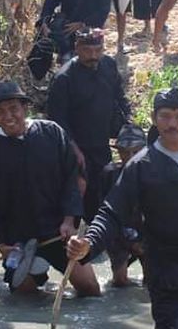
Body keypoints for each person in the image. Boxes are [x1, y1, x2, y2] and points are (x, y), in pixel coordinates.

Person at [67, 88, 178, 329]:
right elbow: (111, 212)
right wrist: (89, 243)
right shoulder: (141, 165)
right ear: (153, 118)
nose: (172, 123)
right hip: (165, 271)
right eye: (165, 116)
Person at [0, 81, 100, 296]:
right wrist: (1, 244)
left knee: (90, 289)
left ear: (25, 108)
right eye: (0, 112)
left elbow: (72, 177)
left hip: (58, 233)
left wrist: (69, 220)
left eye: (14, 108)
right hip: (18, 240)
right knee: (24, 296)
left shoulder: (52, 133)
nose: (8, 116)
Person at [47, 28, 132, 224]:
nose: (93, 56)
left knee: (102, 189)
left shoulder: (108, 65)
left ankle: (98, 235)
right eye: (87, 51)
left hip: (102, 142)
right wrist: (74, 149)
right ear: (77, 48)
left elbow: (120, 96)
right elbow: (57, 120)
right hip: (76, 147)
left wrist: (128, 122)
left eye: (98, 50)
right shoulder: (64, 78)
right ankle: (72, 236)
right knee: (77, 193)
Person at [101, 124, 146, 286]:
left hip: (146, 235)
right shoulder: (109, 174)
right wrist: (128, 240)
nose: (130, 156)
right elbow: (105, 212)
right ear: (118, 151)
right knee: (119, 281)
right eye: (125, 151)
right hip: (118, 235)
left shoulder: (153, 174)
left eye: (136, 151)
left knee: (153, 280)